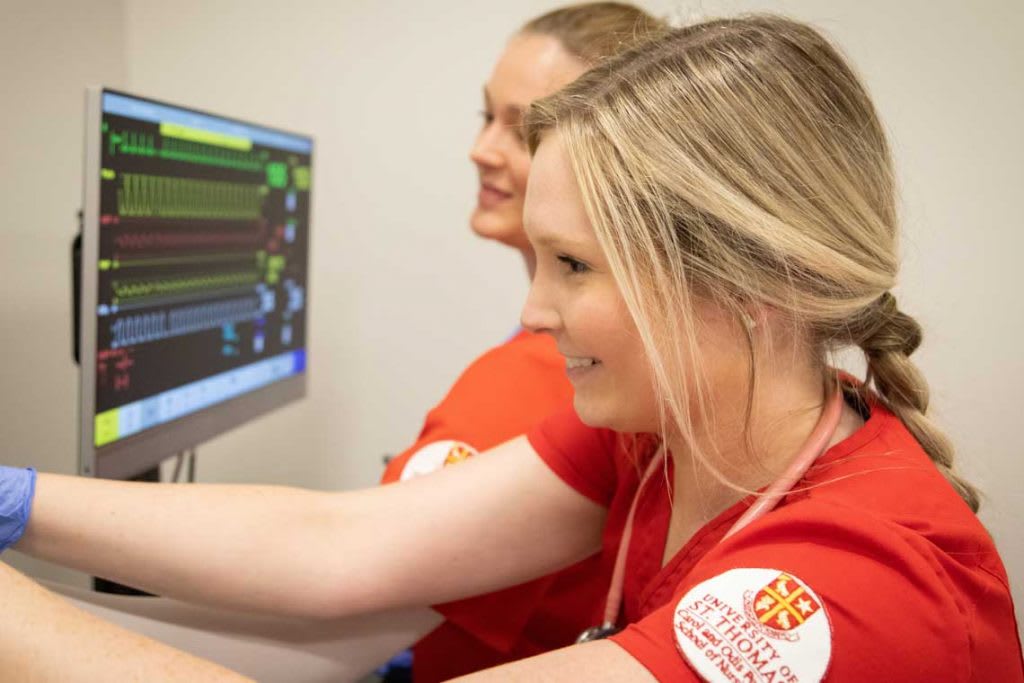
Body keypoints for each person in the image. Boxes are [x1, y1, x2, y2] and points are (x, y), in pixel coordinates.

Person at [2, 13, 1022, 682]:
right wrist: (20, 500)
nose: (536, 310)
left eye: (574, 266)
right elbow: (344, 544)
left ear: (749, 285)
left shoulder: (850, 588)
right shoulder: (671, 435)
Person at [377, 4, 664, 680]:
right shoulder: (603, 364)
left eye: (523, 128)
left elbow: (349, 590)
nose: (481, 149)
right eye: (486, 117)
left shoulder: (541, 374)